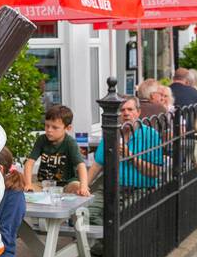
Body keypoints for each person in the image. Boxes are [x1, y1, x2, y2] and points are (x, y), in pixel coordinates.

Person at [84, 96, 165, 247]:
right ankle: (110, 247)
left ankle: (115, 248)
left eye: (130, 109)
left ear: (138, 112)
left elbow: (155, 172)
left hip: (140, 189)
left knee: (123, 218)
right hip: (111, 188)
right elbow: (97, 165)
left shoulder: (150, 135)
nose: (126, 113)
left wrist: (131, 157)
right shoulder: (112, 134)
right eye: (122, 110)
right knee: (84, 213)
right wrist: (83, 186)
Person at [23, 104, 89, 195]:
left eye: (55, 127)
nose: (49, 130)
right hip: (43, 185)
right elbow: (29, 163)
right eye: (47, 126)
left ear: (68, 128)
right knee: (23, 190)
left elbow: (81, 165)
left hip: (66, 185)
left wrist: (84, 187)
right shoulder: (41, 139)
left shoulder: (70, 143)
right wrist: (28, 184)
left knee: (77, 186)